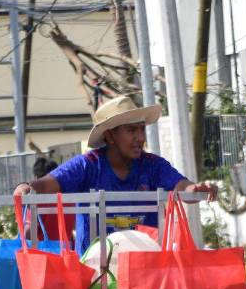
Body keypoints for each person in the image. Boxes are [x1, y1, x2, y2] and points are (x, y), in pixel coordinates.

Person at [13, 95, 211, 247]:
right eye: (132, 130)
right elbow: (47, 184)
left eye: (142, 129)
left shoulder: (154, 165)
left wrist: (196, 189)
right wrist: (26, 187)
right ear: (110, 136)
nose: (140, 137)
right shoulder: (87, 165)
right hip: (96, 275)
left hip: (145, 271)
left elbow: (182, 186)